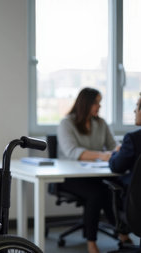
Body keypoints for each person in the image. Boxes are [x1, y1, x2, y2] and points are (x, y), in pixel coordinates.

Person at [57, 87, 120, 253]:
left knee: (112, 190)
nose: (99, 106)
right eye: (96, 103)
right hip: (69, 178)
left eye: (100, 103)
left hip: (96, 174)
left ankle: (121, 231)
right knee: (97, 193)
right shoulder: (66, 123)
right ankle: (92, 242)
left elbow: (113, 147)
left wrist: (119, 150)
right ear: (86, 103)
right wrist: (102, 155)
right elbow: (72, 152)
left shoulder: (101, 123)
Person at [109, 92, 141, 224]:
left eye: (138, 106)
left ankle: (122, 233)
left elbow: (117, 166)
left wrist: (115, 153)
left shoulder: (133, 138)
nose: (135, 110)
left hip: (137, 204)